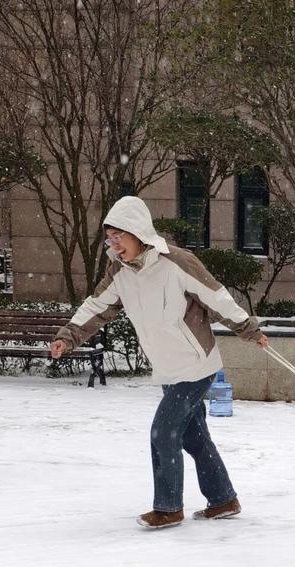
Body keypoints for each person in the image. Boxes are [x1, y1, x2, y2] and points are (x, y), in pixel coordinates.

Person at [50, 195, 269, 530]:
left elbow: (216, 296)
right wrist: (68, 336)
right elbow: (97, 306)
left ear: (137, 232)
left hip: (196, 364)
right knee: (194, 437)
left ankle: (168, 507)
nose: (114, 244)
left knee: (163, 431)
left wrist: (247, 328)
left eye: (118, 236)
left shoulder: (176, 262)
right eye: (110, 237)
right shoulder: (120, 273)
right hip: (167, 368)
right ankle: (224, 499)